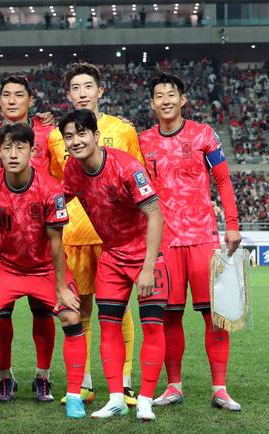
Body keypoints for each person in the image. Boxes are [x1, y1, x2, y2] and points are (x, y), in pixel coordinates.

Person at [0, 122, 86, 418]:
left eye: (20, 147)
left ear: (32, 151)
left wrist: (61, 288)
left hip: (44, 268)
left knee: (71, 315)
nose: (13, 153)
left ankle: (72, 395)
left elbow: (56, 242)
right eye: (7, 147)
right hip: (7, 267)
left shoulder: (50, 188)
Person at [139, 73, 242, 411]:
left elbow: (223, 179)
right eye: (159, 95)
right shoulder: (142, 142)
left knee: (216, 316)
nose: (166, 100)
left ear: (183, 99)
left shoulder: (204, 134)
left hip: (202, 239)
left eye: (171, 94)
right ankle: (174, 386)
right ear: (152, 103)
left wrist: (232, 224)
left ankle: (220, 388)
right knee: (169, 317)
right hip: (164, 242)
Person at [60, 109, 166, 421]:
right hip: (112, 255)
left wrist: (148, 267)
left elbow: (155, 214)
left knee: (152, 325)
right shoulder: (72, 169)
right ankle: (116, 398)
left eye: (82, 133)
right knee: (108, 326)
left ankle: (145, 400)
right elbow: (56, 202)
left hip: (147, 254)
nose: (76, 141)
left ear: (95, 135)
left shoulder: (126, 166)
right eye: (69, 136)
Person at [48, 63, 143, 406]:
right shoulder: (55, 136)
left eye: (88, 86)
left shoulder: (123, 130)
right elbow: (55, 185)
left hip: (114, 236)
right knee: (80, 309)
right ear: (68, 94)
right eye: (76, 87)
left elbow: (137, 176)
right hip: (73, 234)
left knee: (120, 309)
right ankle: (84, 383)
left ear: (100, 91)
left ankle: (126, 383)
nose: (82, 93)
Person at [0, 75, 56, 402]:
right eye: (6, 94)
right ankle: (5, 377)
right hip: (1, 245)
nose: (11, 100)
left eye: (19, 95)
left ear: (30, 100)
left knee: (43, 313)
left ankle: (43, 377)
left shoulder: (49, 133)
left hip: (40, 243)